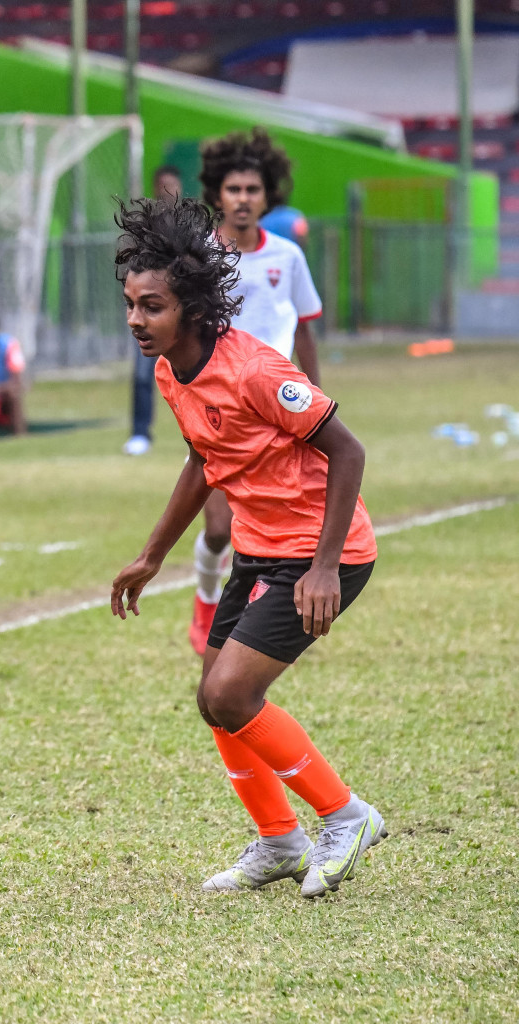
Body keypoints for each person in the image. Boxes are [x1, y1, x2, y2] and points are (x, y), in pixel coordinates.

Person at [109, 196, 385, 899]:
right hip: (260, 548)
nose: (138, 320)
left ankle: (345, 815)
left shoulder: (258, 371)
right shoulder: (172, 370)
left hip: (324, 551)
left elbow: (347, 451)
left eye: (153, 306)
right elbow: (204, 460)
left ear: (192, 307)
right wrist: (152, 555)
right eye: (132, 305)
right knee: (214, 695)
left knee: (232, 692)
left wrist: (324, 567)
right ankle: (279, 840)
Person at [188, 128, 324, 655]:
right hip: (218, 404)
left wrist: (312, 397)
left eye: (252, 190)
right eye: (233, 190)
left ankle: (252, 619)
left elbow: (306, 329)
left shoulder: (287, 256)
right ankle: (205, 597)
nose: (243, 199)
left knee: (273, 523)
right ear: (218, 196)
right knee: (220, 527)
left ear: (268, 196)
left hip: (279, 405)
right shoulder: (199, 257)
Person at [125, 164, 185, 457]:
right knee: (142, 374)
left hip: (182, 317)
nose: (167, 191)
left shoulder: (192, 228)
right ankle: (139, 434)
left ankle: (204, 433)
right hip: (150, 314)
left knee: (195, 375)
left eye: (172, 185)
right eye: (162, 185)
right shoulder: (143, 229)